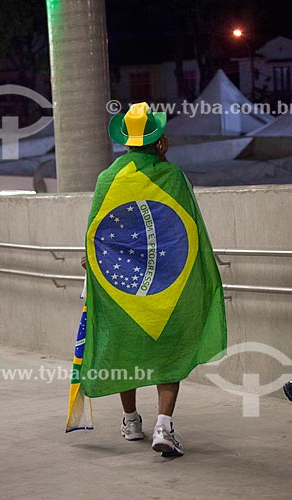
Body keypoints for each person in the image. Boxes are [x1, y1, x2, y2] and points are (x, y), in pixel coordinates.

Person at [75, 102, 227, 457]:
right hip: (166, 284)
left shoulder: (107, 178)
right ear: (159, 141)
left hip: (121, 284)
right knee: (168, 349)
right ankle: (164, 425)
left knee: (122, 346)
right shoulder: (172, 176)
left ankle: (130, 421)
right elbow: (187, 232)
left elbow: (98, 231)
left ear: (125, 141)